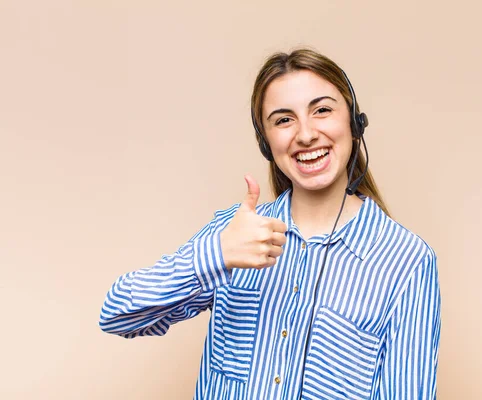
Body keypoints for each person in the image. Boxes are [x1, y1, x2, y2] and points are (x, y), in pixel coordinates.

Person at [99, 48, 441, 400]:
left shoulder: (408, 262)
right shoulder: (233, 235)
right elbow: (117, 315)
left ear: (354, 125)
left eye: (322, 110)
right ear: (266, 143)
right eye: (283, 120)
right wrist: (216, 255)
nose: (306, 134)